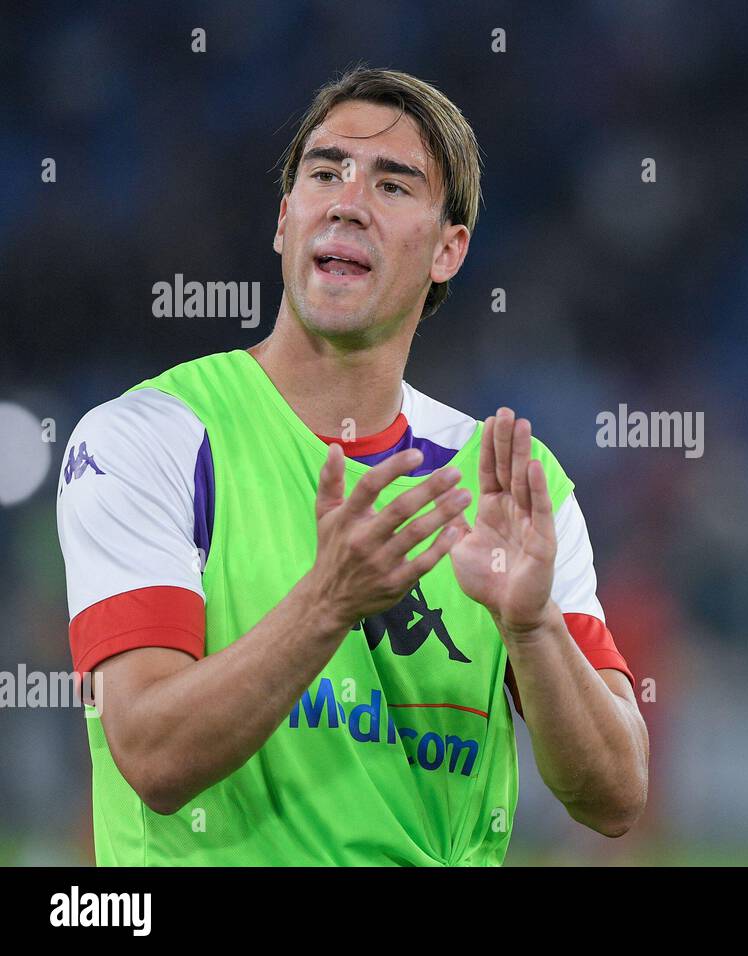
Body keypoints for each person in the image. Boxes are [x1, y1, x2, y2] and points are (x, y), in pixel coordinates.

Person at [55, 67, 648, 866]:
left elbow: (614, 797)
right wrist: (329, 602)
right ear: (284, 220)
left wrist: (533, 626)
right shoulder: (150, 440)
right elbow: (154, 756)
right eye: (325, 173)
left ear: (448, 250)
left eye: (392, 185)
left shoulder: (508, 482)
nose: (347, 200)